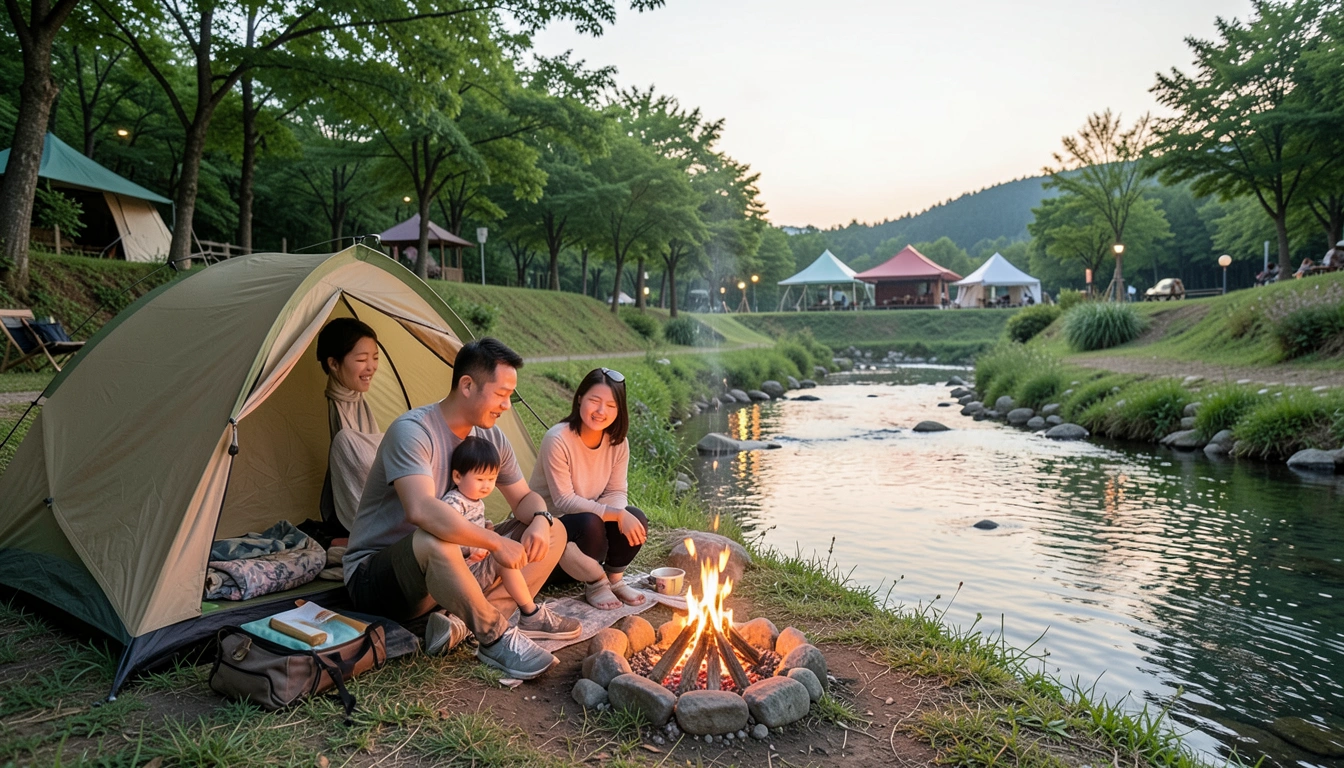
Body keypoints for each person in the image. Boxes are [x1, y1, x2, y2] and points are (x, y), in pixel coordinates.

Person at [343, 338, 570, 680]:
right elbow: (421, 510)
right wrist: (494, 542)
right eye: (501, 394)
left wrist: (540, 517)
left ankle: (464, 621)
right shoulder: (413, 432)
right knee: (436, 538)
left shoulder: (491, 439)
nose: (507, 405)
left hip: (453, 573)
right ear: (467, 385)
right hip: (378, 579)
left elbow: (525, 499)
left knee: (555, 530)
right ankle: (493, 636)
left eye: (511, 396)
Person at [531, 368, 649, 611]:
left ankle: (613, 580)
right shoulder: (558, 439)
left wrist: (620, 516)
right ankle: (595, 584)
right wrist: (615, 515)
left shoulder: (618, 442)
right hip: (552, 537)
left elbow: (617, 491)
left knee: (636, 517)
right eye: (594, 401)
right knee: (591, 522)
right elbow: (564, 501)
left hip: (588, 538)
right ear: (579, 399)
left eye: (611, 405)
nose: (601, 411)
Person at [445, 437, 580, 640]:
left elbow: (475, 524)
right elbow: (447, 532)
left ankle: (483, 617)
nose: (486, 486)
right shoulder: (454, 502)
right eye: (480, 479)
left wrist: (489, 528)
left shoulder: (474, 501)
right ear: (457, 476)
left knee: (519, 547)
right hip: (460, 573)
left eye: (491, 480)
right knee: (505, 560)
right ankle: (529, 613)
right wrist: (472, 548)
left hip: (474, 565)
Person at [317, 318, 383, 532]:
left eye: (375, 358)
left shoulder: (362, 402)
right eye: (362, 359)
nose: (371, 367)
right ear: (334, 364)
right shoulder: (330, 413)